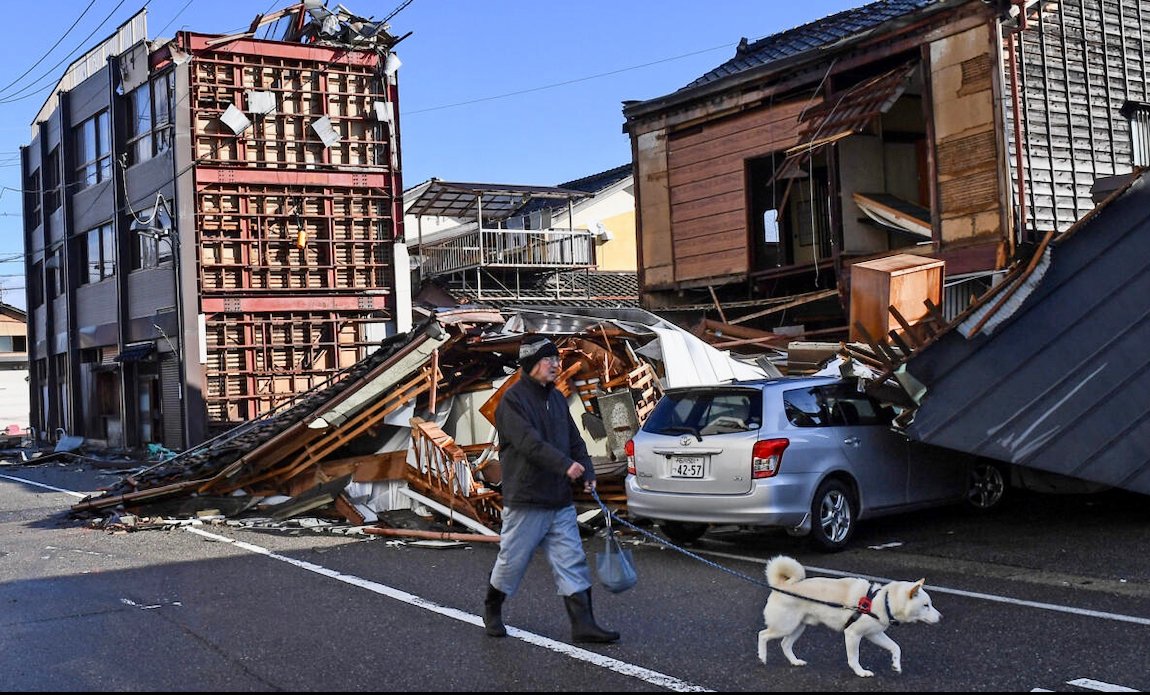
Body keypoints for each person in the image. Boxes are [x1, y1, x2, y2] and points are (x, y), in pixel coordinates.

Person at [482, 335, 620, 644]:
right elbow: (529, 443)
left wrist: (587, 469)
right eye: (549, 360)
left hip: (559, 499)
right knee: (512, 562)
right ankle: (492, 609)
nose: (557, 365)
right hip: (527, 500)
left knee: (572, 559)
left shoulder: (556, 397)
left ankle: (583, 624)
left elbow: (574, 439)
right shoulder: (512, 402)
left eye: (557, 360)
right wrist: (564, 466)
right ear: (531, 364)